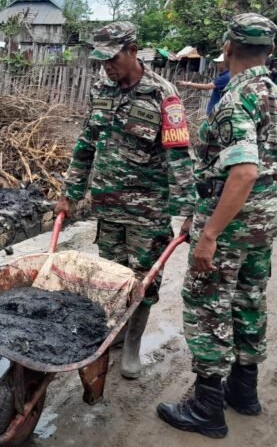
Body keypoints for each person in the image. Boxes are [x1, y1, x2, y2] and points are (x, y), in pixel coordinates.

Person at [156, 13, 277, 438]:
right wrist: (264, 211)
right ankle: (244, 392)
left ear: (228, 47)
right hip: (263, 215)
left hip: (231, 219)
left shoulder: (236, 101)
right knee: (249, 299)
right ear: (269, 51)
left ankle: (206, 407)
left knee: (208, 304)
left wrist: (211, 233)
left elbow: (244, 172)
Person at [55, 22, 196, 380]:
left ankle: (132, 344)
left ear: (133, 50)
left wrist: (191, 212)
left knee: (143, 281)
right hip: (108, 207)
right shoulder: (102, 89)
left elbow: (178, 157)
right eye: (101, 60)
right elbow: (86, 143)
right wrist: (69, 192)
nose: (106, 67)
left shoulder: (164, 96)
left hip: (147, 212)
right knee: (113, 276)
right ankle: (116, 335)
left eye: (112, 58)